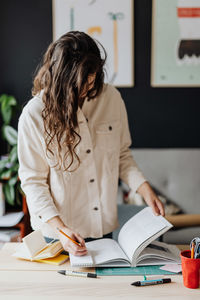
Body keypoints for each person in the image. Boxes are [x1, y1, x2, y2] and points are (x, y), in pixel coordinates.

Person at [18, 31, 164, 257]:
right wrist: (61, 229)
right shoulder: (34, 115)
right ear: (61, 81)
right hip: (57, 234)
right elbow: (33, 182)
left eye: (92, 79)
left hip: (102, 229)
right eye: (81, 85)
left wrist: (145, 190)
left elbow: (122, 154)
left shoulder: (111, 98)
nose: (88, 89)